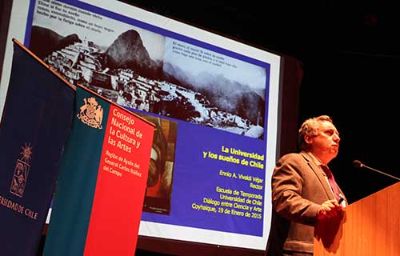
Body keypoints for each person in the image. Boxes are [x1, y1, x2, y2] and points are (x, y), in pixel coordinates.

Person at [266, 115, 347, 256]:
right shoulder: (293, 161)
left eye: (337, 135)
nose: (337, 138)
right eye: (329, 133)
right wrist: (319, 210)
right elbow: (284, 200)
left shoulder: (331, 179)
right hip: (299, 252)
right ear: (308, 138)